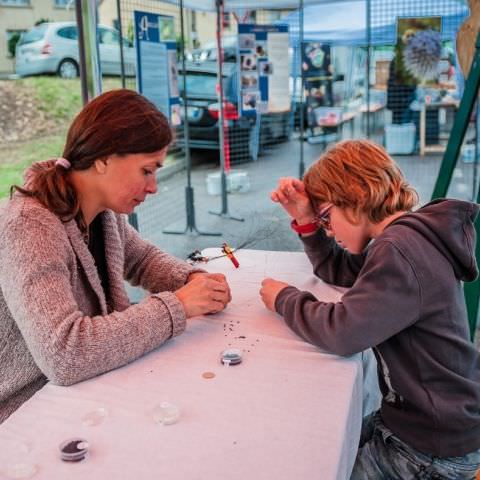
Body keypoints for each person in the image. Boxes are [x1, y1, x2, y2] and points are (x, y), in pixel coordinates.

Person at [0, 89, 231, 424]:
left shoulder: (101, 213)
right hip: (25, 415)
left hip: (80, 394)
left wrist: (193, 281)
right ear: (104, 159)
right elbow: (65, 354)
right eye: (147, 170)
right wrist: (178, 305)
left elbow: (142, 260)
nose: (153, 186)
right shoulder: (28, 226)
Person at [259, 139, 480, 479]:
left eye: (326, 217)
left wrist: (284, 298)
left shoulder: (400, 251)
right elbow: (340, 270)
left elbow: (343, 332)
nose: (327, 230)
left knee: (322, 463)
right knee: (330, 443)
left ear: (358, 195)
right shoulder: (405, 238)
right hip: (424, 424)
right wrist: (306, 221)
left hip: (430, 447)